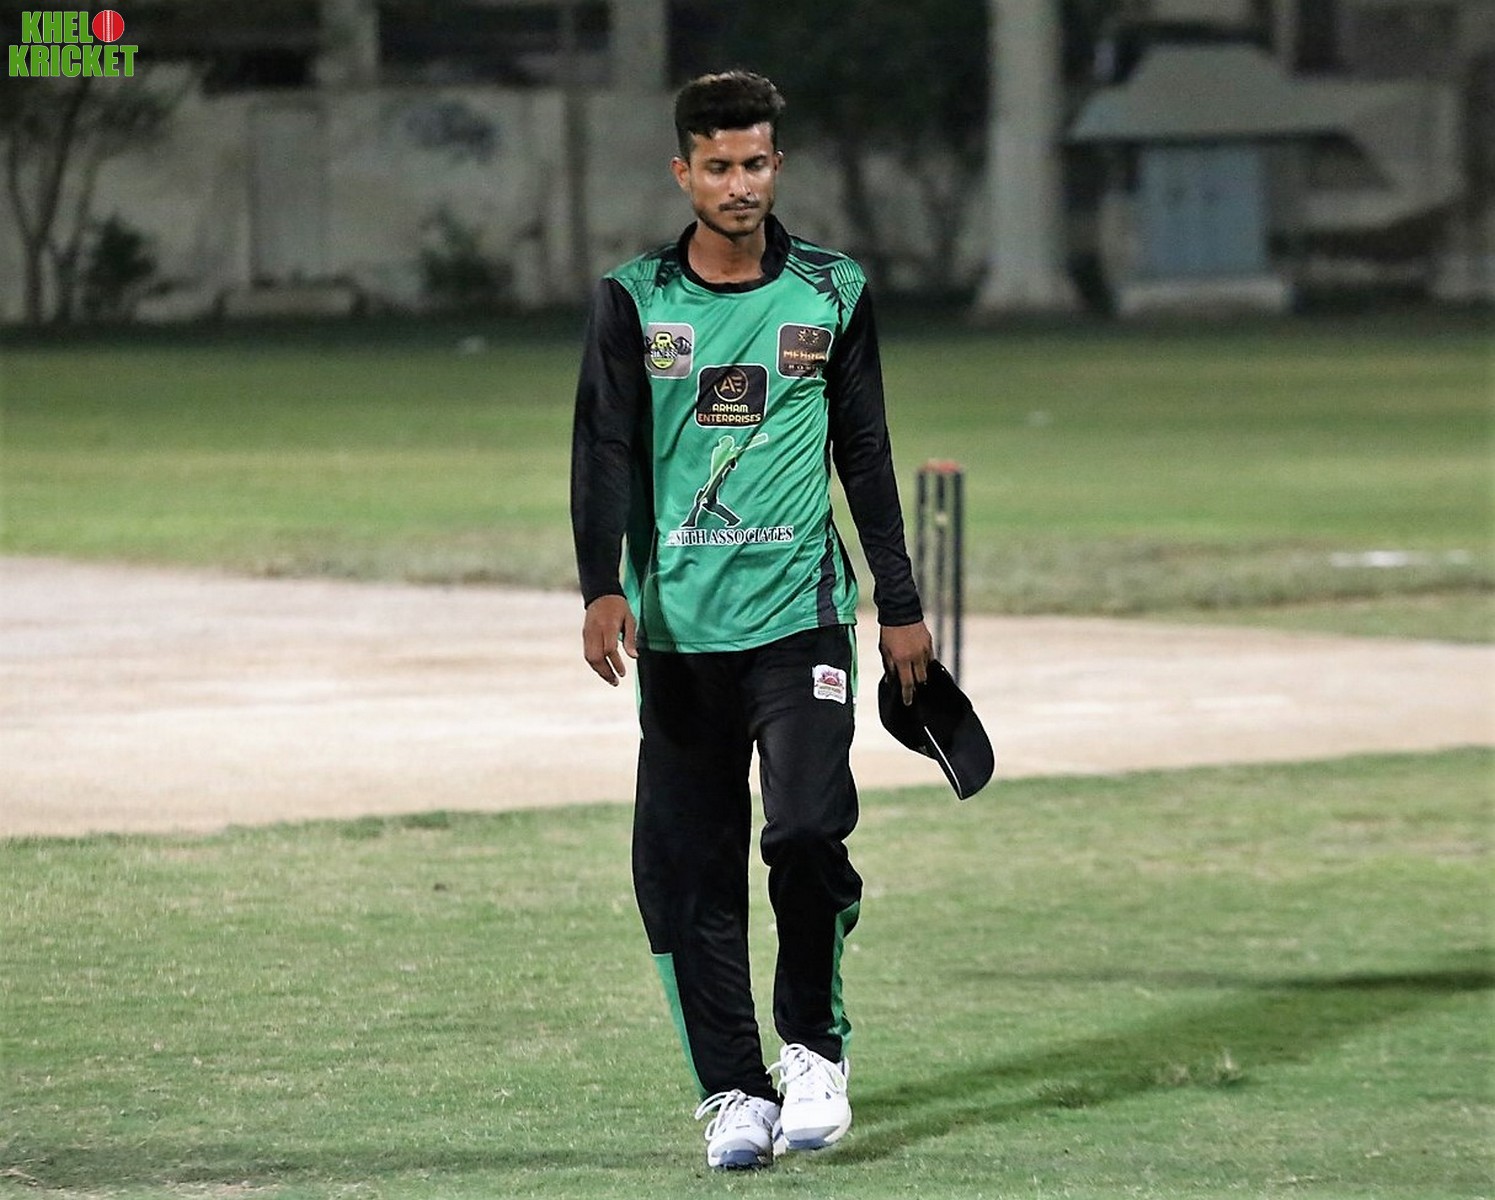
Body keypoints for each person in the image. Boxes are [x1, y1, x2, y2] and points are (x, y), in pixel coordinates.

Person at [570, 69, 932, 1171]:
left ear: (779, 165)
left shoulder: (831, 289)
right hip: (681, 634)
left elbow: (863, 449)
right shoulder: (635, 298)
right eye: (719, 166)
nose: (740, 184)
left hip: (801, 617)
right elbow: (604, 448)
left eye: (756, 163)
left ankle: (812, 1048)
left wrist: (901, 606)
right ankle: (735, 1089)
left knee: (807, 829)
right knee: (691, 867)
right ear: (683, 172)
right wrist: (599, 584)